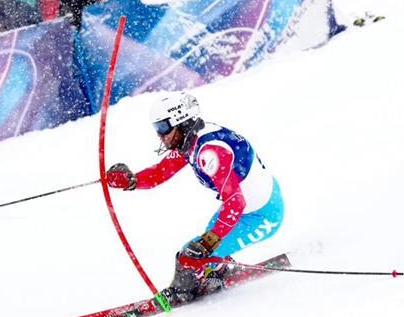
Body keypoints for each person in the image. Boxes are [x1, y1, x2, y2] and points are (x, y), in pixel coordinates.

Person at [105, 91, 284, 303]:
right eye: (156, 128)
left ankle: (182, 294)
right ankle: (216, 272)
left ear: (181, 123)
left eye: (163, 128)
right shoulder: (190, 142)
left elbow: (235, 202)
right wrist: (132, 180)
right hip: (247, 207)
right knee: (203, 248)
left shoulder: (209, 152)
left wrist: (209, 244)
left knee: (189, 256)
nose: (159, 135)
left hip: (262, 215)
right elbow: (161, 172)